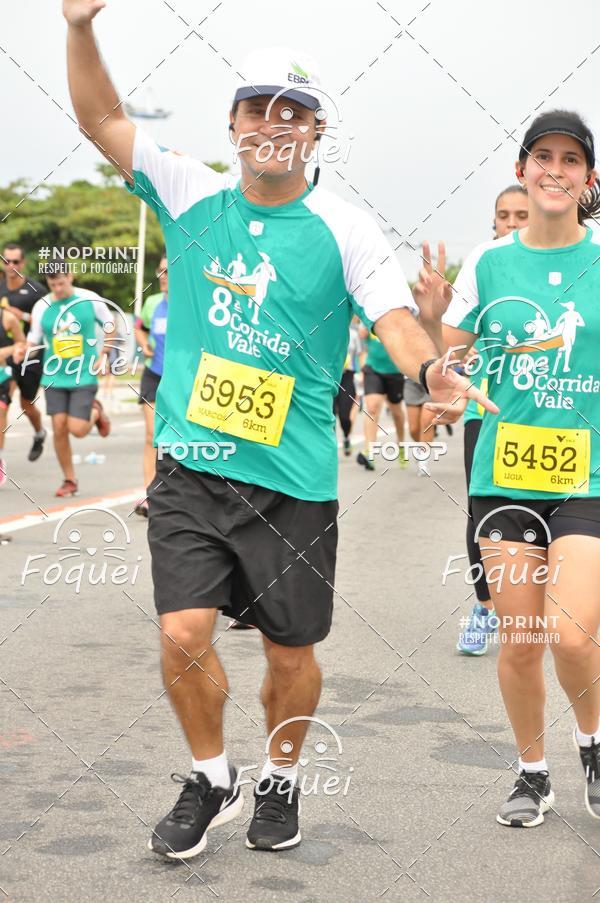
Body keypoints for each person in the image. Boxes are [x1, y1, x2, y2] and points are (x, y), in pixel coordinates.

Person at [63, 0, 493, 859]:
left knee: (290, 654)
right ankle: (210, 773)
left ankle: (282, 776)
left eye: (294, 112)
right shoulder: (188, 191)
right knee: (183, 633)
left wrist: (430, 370)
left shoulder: (347, 229)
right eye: (257, 107)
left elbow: (395, 321)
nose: (274, 123)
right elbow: (103, 120)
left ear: (317, 131)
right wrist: (79, 28)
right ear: (232, 123)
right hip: (193, 467)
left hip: (294, 481)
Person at [428, 109, 600, 827]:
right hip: (504, 476)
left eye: (571, 160)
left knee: (571, 632)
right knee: (521, 639)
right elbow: (451, 360)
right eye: (543, 157)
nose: (555, 170)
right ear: (521, 170)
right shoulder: (487, 263)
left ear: (589, 178)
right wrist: (445, 376)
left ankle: (592, 742)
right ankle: (533, 772)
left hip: (588, 478)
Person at [415, 186, 529, 652]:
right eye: (504, 215)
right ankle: (485, 607)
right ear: (494, 222)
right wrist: (433, 319)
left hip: (553, 416)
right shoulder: (484, 270)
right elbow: (450, 357)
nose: (512, 223)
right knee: (482, 513)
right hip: (487, 413)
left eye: (521, 214)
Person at [14, 269, 113, 497]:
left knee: (77, 430)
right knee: (59, 427)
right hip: (54, 375)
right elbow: (34, 341)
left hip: (84, 373)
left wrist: (105, 354)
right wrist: (23, 352)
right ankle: (69, 480)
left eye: (61, 283)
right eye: (53, 285)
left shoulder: (89, 299)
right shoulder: (42, 306)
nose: (57, 289)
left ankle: (96, 412)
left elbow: (110, 326)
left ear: (70, 277)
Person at [0, 243, 48, 461]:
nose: (11, 266)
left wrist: (24, 317)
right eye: (6, 261)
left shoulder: (36, 290)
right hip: (7, 356)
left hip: (31, 354)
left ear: (23, 263)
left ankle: (39, 432)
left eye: (15, 261)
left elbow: (50, 319)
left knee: (26, 404)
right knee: (2, 405)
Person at [134, 255, 168, 518]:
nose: (164, 276)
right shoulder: (152, 302)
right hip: (154, 374)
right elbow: (140, 328)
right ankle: (150, 494)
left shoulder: (191, 303)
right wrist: (144, 344)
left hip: (182, 379)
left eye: (169, 271)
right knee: (151, 434)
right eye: (161, 271)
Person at [357, 327, 408, 470]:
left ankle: (401, 445)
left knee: (396, 413)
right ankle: (369, 452)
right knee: (372, 408)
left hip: (395, 371)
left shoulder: (399, 319)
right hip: (373, 368)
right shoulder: (370, 317)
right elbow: (362, 343)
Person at [0, 307, 26, 486]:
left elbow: (22, 343)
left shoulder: (7, 318)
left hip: (2, 375)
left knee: (0, 412)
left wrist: (4, 352)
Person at [333, 317, 361, 457]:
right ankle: (330, 446)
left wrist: (361, 373)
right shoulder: (328, 331)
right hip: (330, 375)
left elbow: (360, 355)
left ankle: (346, 436)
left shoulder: (354, 334)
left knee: (345, 416)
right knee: (331, 413)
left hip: (347, 376)